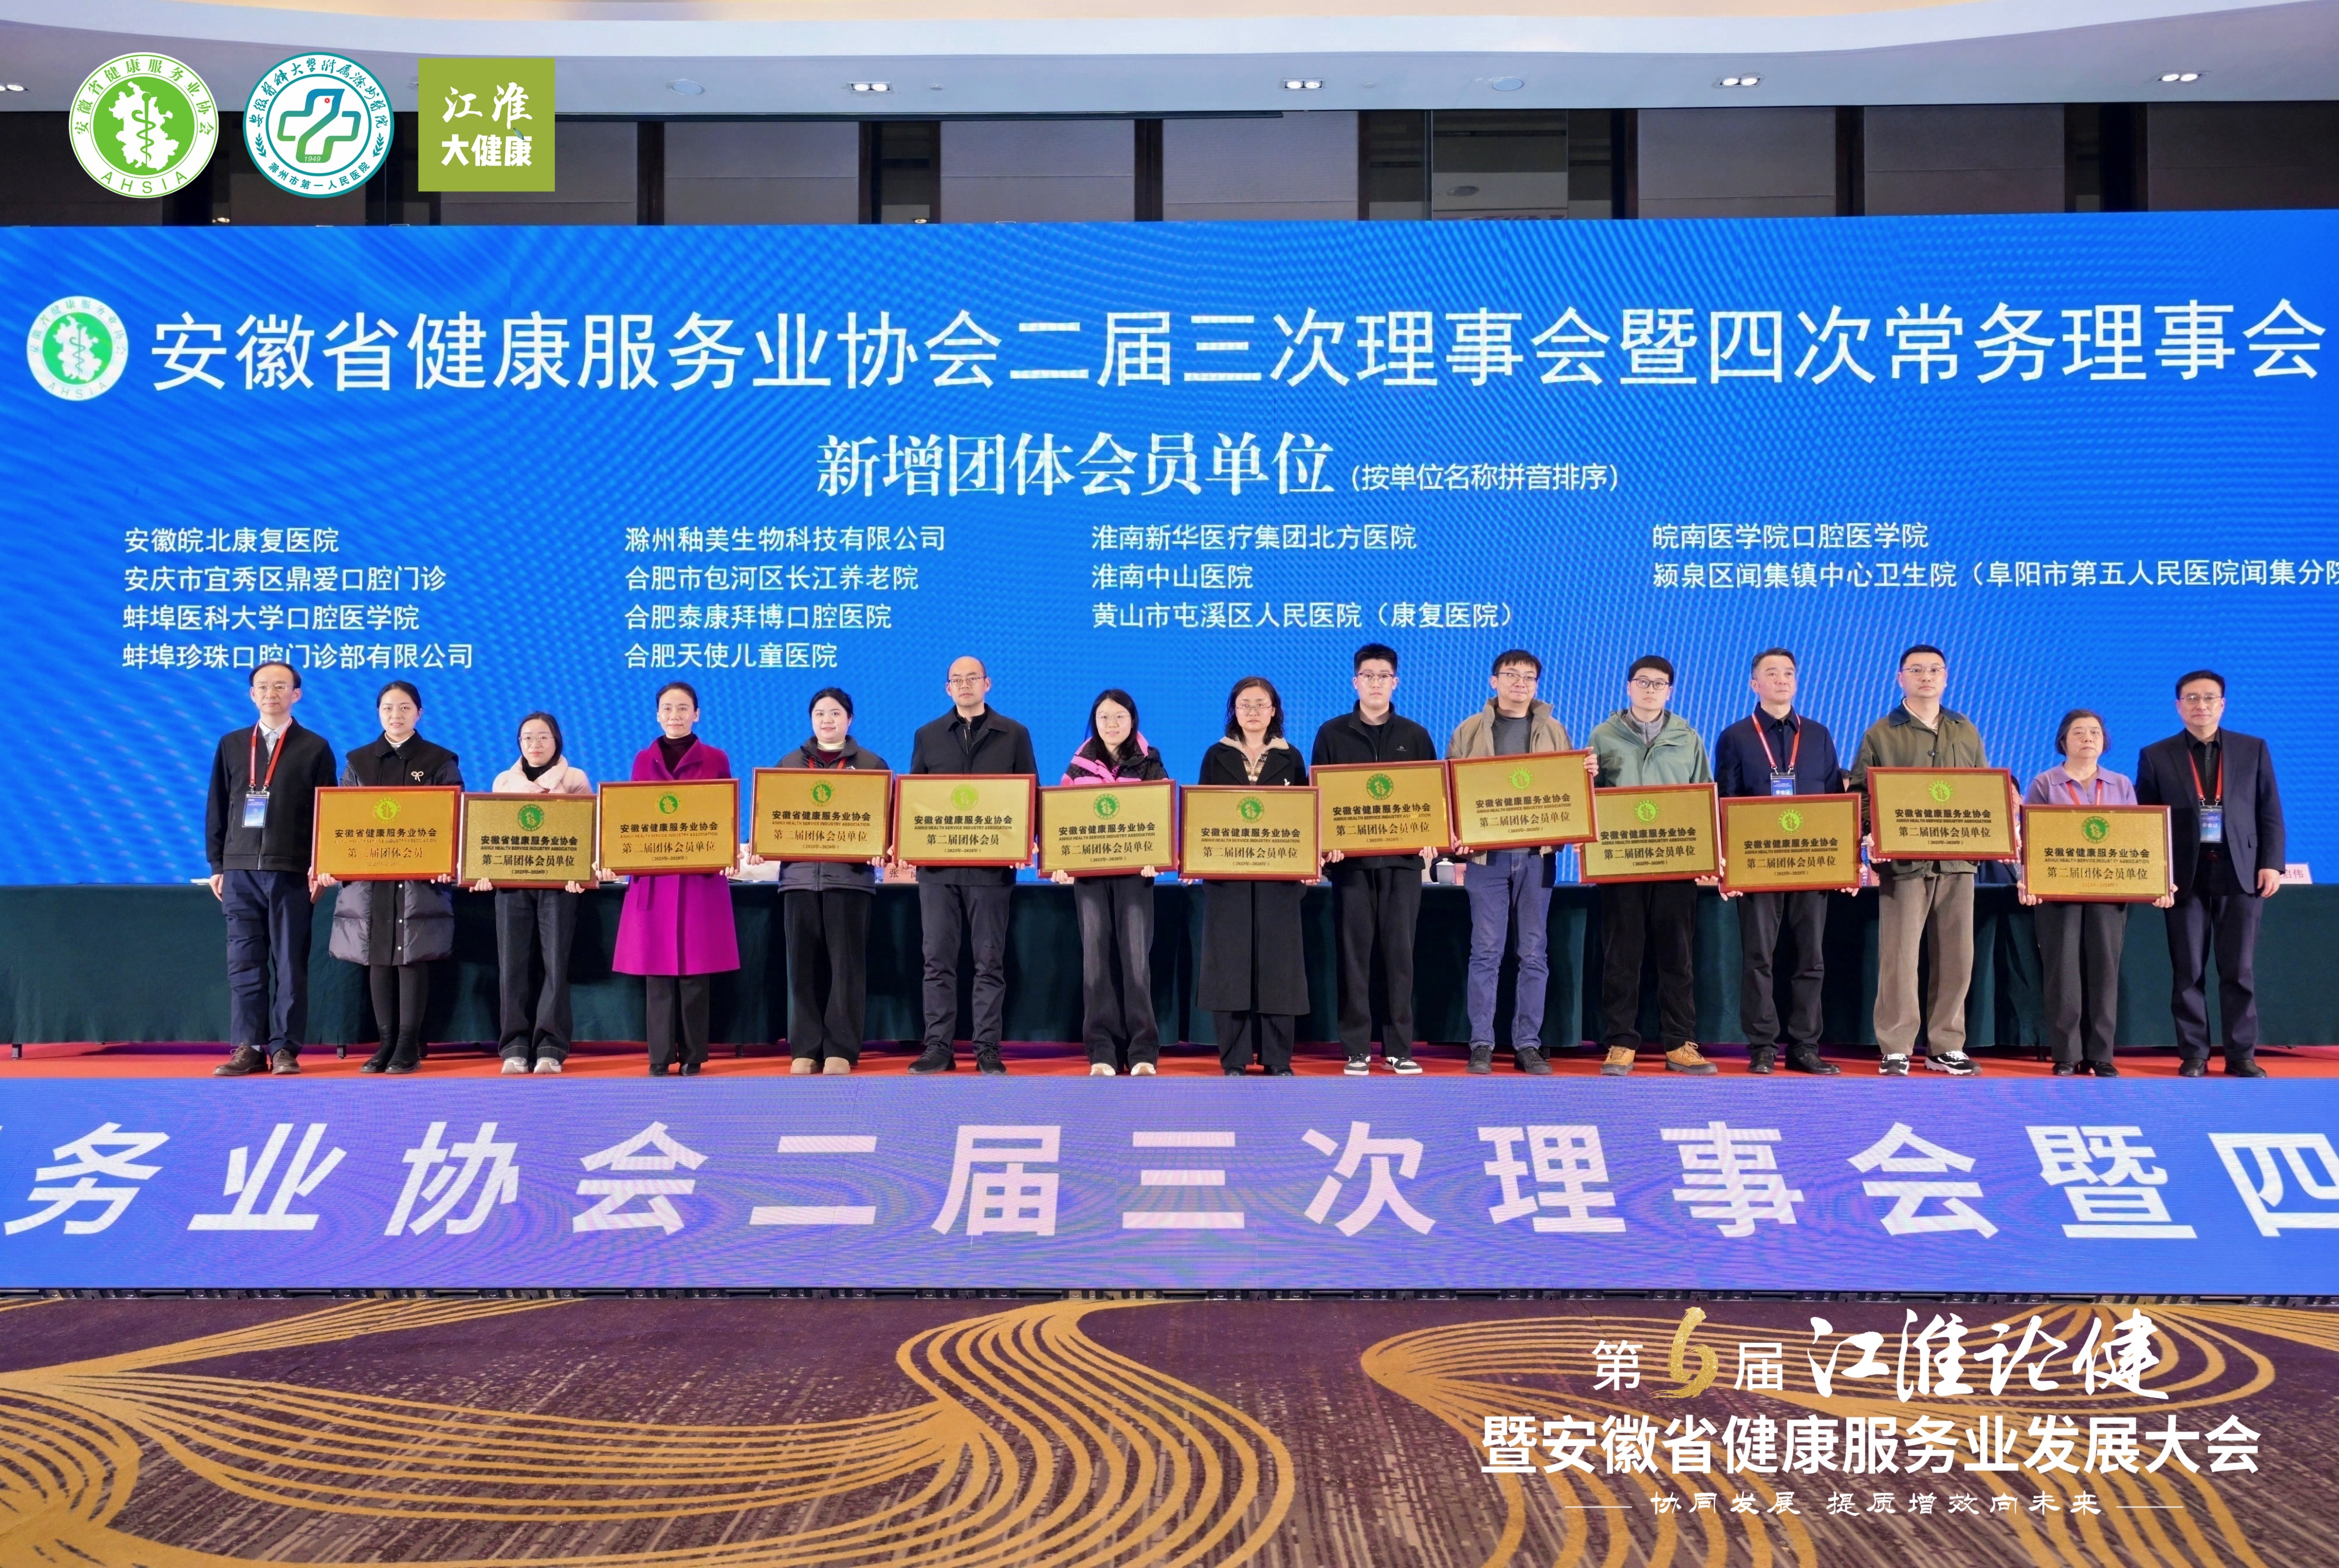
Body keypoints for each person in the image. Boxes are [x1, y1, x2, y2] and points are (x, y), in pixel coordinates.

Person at [1446, 649, 1598, 1076]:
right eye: (1511, 674)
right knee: (1485, 952)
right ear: (1493, 681)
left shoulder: (1554, 730)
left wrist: (1586, 774)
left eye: (1529, 677)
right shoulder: (1469, 730)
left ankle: (1528, 1044)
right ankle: (1481, 1043)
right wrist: (1454, 842)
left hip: (1537, 857)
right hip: (1486, 858)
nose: (1520, 683)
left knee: (1533, 953)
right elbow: (1451, 789)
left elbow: (1569, 792)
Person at [2136, 670, 2286, 1078]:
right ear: (2178, 706)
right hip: (2184, 875)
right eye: (2191, 698)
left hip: (2241, 871)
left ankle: (2241, 1055)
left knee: (2239, 970)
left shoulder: (2253, 748)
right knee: (2188, 970)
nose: (2200, 705)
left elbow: (2270, 810)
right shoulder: (2156, 754)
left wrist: (2272, 863)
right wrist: (2155, 876)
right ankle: (2194, 1054)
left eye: (2208, 698)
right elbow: (2146, 823)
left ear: (2222, 704)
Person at [1848, 644, 1988, 1077]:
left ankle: (1946, 1044)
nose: (1926, 677)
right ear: (1900, 678)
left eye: (1934, 670)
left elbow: (1983, 789)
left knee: (1957, 956)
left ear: (1945, 677)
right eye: (1916, 670)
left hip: (1958, 861)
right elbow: (1861, 793)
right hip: (1905, 863)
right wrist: (1873, 831)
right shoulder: (1881, 733)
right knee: (1900, 956)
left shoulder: (1965, 729)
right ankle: (1896, 1046)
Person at [1713, 648, 1844, 1077]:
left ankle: (1805, 1045)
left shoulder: (1819, 735)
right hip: (1758, 863)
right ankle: (1763, 1046)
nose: (1782, 679)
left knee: (1811, 957)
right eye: (1772, 673)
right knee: (1759, 956)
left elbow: (1835, 801)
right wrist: (1729, 864)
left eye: (1789, 672)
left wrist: (1845, 861)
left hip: (1812, 861)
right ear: (1755, 684)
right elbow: (1726, 802)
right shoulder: (1735, 736)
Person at [2019, 709, 2172, 1076]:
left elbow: (2138, 838)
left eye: (2095, 732)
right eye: (2078, 732)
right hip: (2058, 893)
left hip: (2109, 890)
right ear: (2063, 741)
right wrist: (2028, 880)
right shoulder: (2045, 782)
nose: (2087, 738)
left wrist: (2158, 880)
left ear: (2104, 741)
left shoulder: (2121, 784)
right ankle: (2066, 1055)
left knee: (2105, 970)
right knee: (2062, 972)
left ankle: (2101, 1055)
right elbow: (2031, 838)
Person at [906, 656, 1038, 1075]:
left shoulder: (1014, 734)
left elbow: (1030, 795)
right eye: (957, 680)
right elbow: (914, 800)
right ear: (948, 688)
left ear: (987, 684)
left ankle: (987, 1050)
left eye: (972, 678)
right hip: (938, 870)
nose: (965, 685)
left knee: (989, 962)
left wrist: (1029, 840)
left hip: (991, 869)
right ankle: (938, 1048)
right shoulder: (928, 735)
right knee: (937, 961)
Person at [1587, 656, 1719, 1076]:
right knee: (1621, 956)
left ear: (1670, 691)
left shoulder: (1688, 737)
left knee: (1677, 957)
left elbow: (1704, 796)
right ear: (1628, 687)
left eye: (1659, 683)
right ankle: (1620, 1041)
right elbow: (1590, 798)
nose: (1650, 689)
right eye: (1642, 682)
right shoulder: (1603, 736)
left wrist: (1709, 854)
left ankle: (1680, 1042)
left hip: (1676, 864)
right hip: (1623, 864)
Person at [205, 661, 338, 1078]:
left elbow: (327, 814)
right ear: (252, 694)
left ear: (296, 694)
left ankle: (285, 1048)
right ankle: (247, 1046)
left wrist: (321, 865)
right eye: (262, 686)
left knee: (290, 963)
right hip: (239, 869)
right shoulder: (231, 744)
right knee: (244, 961)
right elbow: (217, 805)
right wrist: (217, 863)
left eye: (280, 686)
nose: (271, 693)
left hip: (291, 870)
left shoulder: (315, 747)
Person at [324, 680, 463, 1076]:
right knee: (377, 955)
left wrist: (446, 861)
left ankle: (407, 1043)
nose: (395, 715)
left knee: (411, 955)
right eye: (388, 708)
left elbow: (453, 819)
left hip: (420, 879)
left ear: (419, 713)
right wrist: (334, 860)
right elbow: (342, 819)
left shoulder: (439, 760)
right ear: (378, 713)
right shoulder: (358, 761)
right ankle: (386, 1042)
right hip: (370, 879)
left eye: (404, 707)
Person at [1312, 643, 1436, 1076]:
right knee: (1354, 958)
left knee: (1400, 958)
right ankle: (1357, 1048)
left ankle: (1399, 1047)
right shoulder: (1332, 734)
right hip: (1352, 866)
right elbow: (1319, 800)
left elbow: (1430, 797)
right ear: (1355, 682)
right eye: (1368, 675)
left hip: (1402, 864)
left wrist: (1431, 838)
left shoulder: (1415, 735)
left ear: (1395, 682)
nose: (1376, 683)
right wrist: (1327, 843)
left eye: (1384, 676)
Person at [612, 682, 740, 1076]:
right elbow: (631, 816)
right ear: (657, 715)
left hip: (699, 879)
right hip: (655, 878)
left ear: (697, 714)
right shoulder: (642, 760)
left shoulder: (716, 758)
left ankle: (694, 1056)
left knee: (695, 972)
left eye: (683, 708)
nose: (675, 715)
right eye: (667, 708)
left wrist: (728, 852)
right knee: (657, 972)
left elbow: (726, 815)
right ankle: (659, 1055)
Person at [1198, 677, 1311, 1075]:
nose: (1253, 711)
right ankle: (1234, 1058)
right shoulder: (1216, 755)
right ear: (1234, 710)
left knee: (1279, 966)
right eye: (1245, 704)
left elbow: (1304, 817)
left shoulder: (1291, 757)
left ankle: (1278, 1058)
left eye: (1261, 704)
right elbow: (1202, 814)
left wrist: (1309, 862)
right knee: (1230, 966)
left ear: (1274, 710)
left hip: (1278, 880)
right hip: (1227, 879)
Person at [1051, 689, 1167, 1076]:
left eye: (1120, 716)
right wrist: (1060, 862)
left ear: (1133, 720)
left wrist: (1158, 855)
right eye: (1104, 717)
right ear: (1094, 722)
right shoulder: (1078, 765)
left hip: (1135, 876)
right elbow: (1062, 819)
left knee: (1136, 962)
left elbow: (1162, 815)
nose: (1112, 724)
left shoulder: (1150, 761)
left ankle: (1143, 1050)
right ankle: (1101, 1050)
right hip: (1090, 877)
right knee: (1096, 963)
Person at [772, 688, 887, 1075]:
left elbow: (885, 820)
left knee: (847, 967)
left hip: (849, 880)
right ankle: (805, 1047)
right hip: (799, 879)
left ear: (849, 719)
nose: (827, 719)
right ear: (811, 719)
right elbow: (773, 817)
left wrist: (883, 846)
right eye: (820, 712)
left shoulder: (871, 764)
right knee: (801, 969)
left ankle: (841, 1048)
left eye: (835, 713)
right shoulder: (788, 764)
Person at [474, 712, 592, 1076]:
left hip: (560, 887)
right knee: (513, 966)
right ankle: (514, 1046)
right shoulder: (504, 781)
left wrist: (581, 872)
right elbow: (488, 837)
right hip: (512, 887)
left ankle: (551, 1047)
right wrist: (482, 871)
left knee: (555, 965)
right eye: (527, 737)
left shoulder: (574, 779)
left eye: (543, 737)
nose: (535, 744)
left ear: (557, 741)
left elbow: (589, 833)